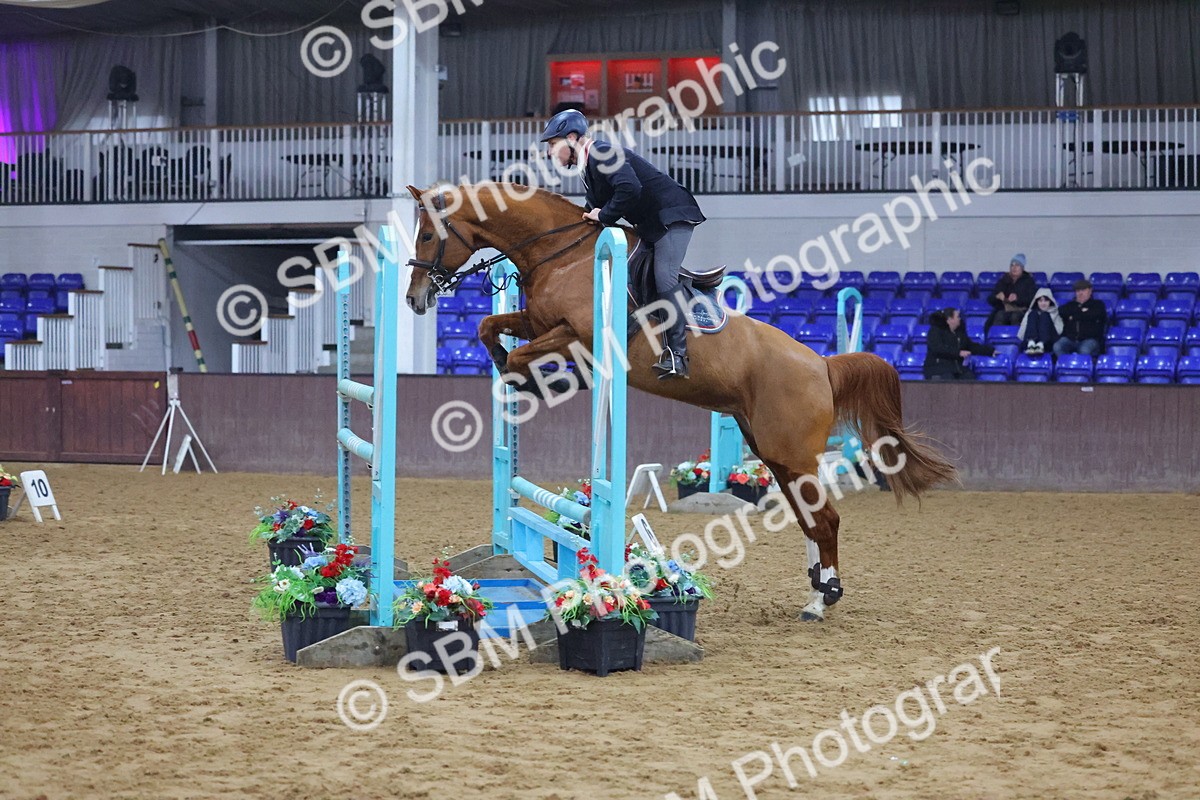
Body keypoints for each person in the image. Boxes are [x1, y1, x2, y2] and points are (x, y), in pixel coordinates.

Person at [540, 109, 706, 380]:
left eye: (552, 144)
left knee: (664, 276)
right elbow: (591, 209)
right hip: (651, 225)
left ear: (571, 138)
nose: (549, 153)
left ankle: (678, 355)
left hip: (672, 216)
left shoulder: (600, 153)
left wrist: (604, 215)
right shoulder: (588, 168)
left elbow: (630, 188)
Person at [924, 307, 995, 380]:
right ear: (949, 320)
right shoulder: (935, 331)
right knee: (948, 380)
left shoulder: (959, 333)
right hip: (938, 368)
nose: (960, 319)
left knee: (969, 378)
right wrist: (958, 353)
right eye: (957, 317)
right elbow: (937, 348)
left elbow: (970, 346)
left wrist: (990, 351)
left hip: (958, 369)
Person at [1055, 278, 1107, 356]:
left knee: (1084, 350)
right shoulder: (1070, 305)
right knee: (1057, 346)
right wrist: (1082, 311)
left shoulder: (1097, 304)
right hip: (1070, 338)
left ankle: (1083, 367)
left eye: (1083, 290)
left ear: (1090, 291)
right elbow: (1061, 311)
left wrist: (1073, 315)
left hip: (1090, 339)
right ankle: (1066, 366)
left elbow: (1094, 315)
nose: (1080, 293)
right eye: (1078, 291)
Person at [986, 253, 1037, 332]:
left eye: (1017, 265)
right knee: (999, 315)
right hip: (1004, 310)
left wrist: (1017, 299)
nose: (1014, 268)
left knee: (1015, 316)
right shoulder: (1004, 280)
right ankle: (997, 340)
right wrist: (997, 297)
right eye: (1012, 265)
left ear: (1022, 268)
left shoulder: (1029, 281)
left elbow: (1032, 300)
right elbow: (990, 299)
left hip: (1021, 311)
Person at [1017, 288, 1062, 355]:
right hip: (1030, 344)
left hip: (1048, 343)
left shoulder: (1056, 312)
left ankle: (1040, 344)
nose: (1043, 303)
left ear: (1050, 301)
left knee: (1045, 315)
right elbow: (1022, 332)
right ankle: (1031, 343)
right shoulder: (1030, 313)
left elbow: (1059, 330)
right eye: (1040, 301)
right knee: (1033, 314)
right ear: (1036, 302)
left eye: (1046, 301)